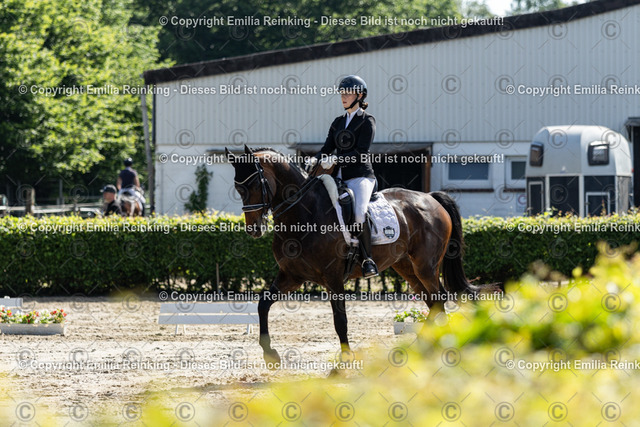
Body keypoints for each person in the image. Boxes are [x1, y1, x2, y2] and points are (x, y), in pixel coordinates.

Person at [313, 75, 379, 277]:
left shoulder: (367, 121)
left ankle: (367, 260)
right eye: (342, 93)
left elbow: (361, 153)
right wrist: (315, 159)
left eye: (348, 93)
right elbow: (326, 148)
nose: (343, 97)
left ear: (359, 96)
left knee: (359, 213)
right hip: (338, 178)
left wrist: (336, 159)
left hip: (360, 176)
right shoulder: (338, 122)